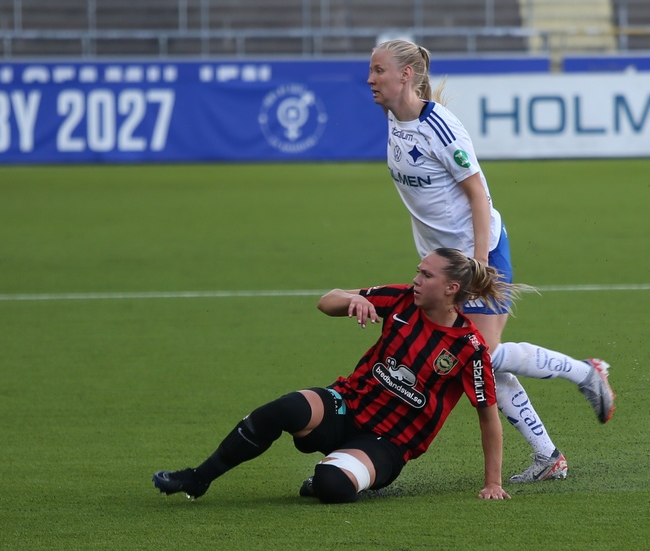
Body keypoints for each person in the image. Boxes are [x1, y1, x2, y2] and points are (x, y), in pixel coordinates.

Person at [367, 39, 616, 483]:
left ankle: (586, 375)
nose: (370, 79)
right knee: (480, 359)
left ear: (405, 75)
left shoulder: (441, 128)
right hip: (443, 261)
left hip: (476, 255)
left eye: (378, 70)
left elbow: (478, 195)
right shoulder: (394, 116)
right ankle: (550, 455)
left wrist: (478, 266)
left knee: (484, 355)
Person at [153, 248, 522, 503]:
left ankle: (329, 473)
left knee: (332, 487)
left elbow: (488, 417)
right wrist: (352, 300)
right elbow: (325, 300)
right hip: (347, 403)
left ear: (451, 288)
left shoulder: (469, 348)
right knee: (285, 409)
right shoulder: (401, 300)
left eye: (425, 275)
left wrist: (493, 483)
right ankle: (198, 478)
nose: (416, 279)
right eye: (417, 271)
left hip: (388, 442)